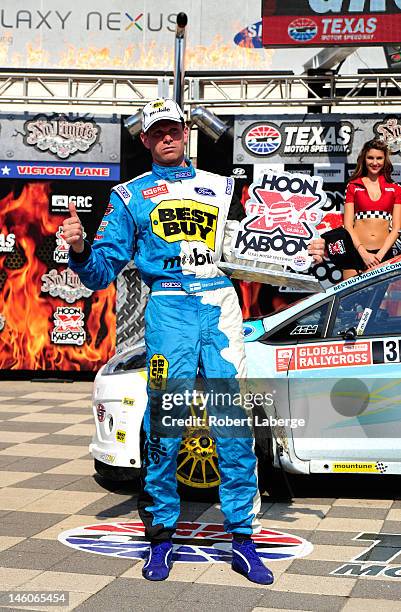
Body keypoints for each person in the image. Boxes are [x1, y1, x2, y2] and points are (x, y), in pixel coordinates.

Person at [64, 98, 324, 584]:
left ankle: (244, 538)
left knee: (232, 423)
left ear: (186, 133)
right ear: (144, 139)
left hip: (220, 306)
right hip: (168, 309)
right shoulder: (128, 196)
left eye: (173, 129)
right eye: (157, 131)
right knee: (165, 424)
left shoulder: (220, 187)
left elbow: (260, 243)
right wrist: (79, 247)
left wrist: (299, 249)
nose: (167, 137)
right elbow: (100, 272)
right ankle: (160, 536)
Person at [343, 138, 401, 280]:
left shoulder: (395, 189)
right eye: (370, 158)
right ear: (364, 158)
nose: (375, 163)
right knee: (348, 301)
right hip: (356, 253)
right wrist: (364, 254)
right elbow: (348, 226)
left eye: (379, 158)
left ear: (385, 160)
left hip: (383, 256)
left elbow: (397, 228)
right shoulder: (353, 186)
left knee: (375, 302)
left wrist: (379, 257)